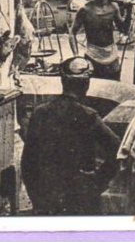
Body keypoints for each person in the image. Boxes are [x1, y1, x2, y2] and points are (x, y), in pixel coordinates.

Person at [21, 57, 120, 215]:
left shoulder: (40, 113)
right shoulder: (88, 116)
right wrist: (98, 181)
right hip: (80, 198)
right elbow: (118, 149)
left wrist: (36, 198)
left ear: (62, 81)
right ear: (86, 84)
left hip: (47, 198)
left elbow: (28, 163)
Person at [68, 0, 129, 81]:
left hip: (111, 54)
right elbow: (72, 32)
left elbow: (124, 29)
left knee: (114, 87)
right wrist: (76, 55)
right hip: (92, 54)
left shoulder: (114, 7)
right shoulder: (85, 9)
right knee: (94, 88)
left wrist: (128, 9)